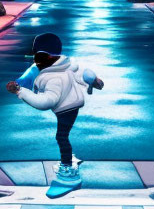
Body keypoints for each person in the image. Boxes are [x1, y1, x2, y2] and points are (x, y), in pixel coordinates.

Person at [7, 32, 104, 198]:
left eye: (37, 54)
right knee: (63, 136)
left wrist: (21, 92)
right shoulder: (65, 64)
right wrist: (94, 81)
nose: (35, 59)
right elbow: (80, 74)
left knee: (61, 137)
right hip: (70, 105)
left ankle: (69, 174)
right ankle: (68, 160)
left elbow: (45, 102)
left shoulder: (53, 78)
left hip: (66, 108)